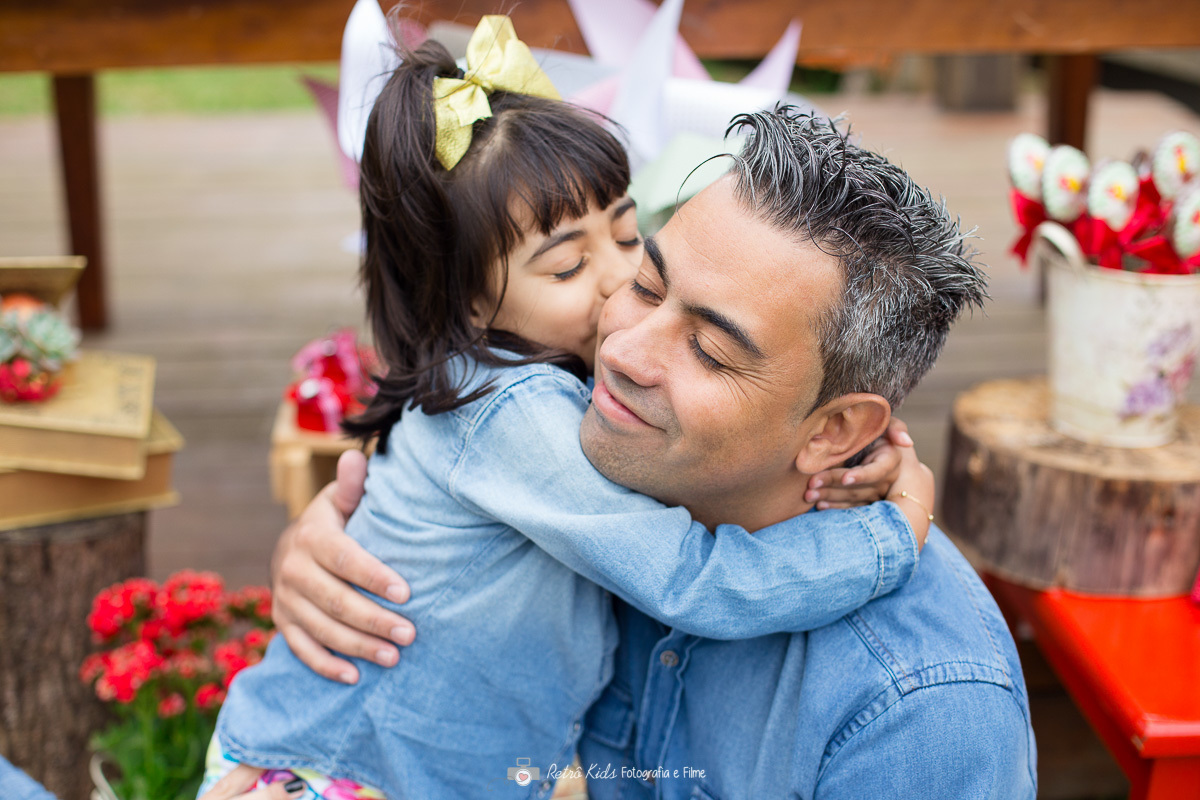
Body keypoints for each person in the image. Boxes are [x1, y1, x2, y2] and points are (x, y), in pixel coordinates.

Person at [201, 18, 934, 800]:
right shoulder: (506, 411)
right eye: (567, 266)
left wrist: (850, 454)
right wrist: (885, 539)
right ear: (469, 298)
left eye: (627, 236)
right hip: (326, 774)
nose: (619, 278)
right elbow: (689, 578)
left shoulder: (547, 386)